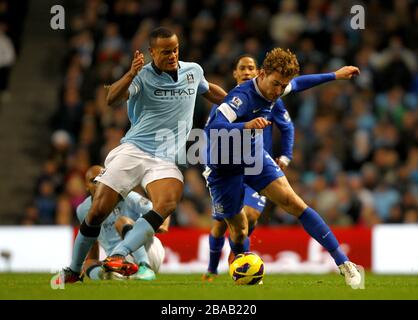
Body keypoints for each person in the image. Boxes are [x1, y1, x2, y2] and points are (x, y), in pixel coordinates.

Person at [59, 27, 227, 283]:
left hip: (165, 158)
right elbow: (111, 98)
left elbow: (209, 90)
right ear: (151, 52)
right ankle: (73, 271)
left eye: (175, 50)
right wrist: (131, 73)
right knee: (97, 212)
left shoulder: (193, 71)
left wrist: (238, 105)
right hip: (135, 150)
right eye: (165, 52)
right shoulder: (142, 76)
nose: (172, 55)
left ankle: (119, 253)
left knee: (168, 202)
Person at [203, 48, 362, 287]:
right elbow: (214, 127)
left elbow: (298, 84)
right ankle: (240, 265)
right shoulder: (241, 97)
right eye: (276, 84)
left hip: (254, 158)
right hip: (224, 166)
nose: (278, 91)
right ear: (263, 74)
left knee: (293, 202)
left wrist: (334, 75)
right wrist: (246, 126)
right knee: (239, 230)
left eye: (282, 85)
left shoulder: (277, 88)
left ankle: (344, 262)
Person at [76, 165, 168, 281]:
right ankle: (109, 276)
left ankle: (145, 267)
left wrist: (163, 225)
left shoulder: (127, 196)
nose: (99, 184)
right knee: (88, 263)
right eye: (94, 181)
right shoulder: (83, 210)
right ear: (86, 186)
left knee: (121, 221)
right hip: (120, 262)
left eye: (102, 179)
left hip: (147, 250)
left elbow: (161, 209)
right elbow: (91, 245)